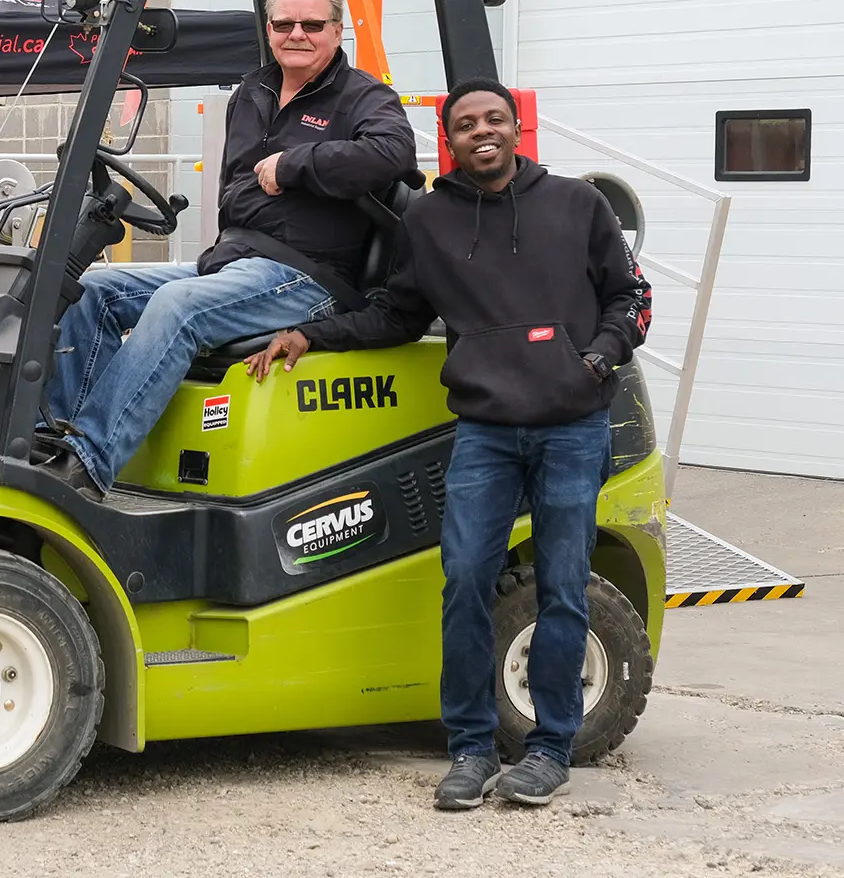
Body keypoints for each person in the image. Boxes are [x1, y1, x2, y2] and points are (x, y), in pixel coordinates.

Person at [245, 77, 652, 810]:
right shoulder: (429, 221)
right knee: (464, 580)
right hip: (487, 432)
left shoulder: (577, 205)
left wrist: (597, 357)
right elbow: (397, 314)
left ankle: (551, 747)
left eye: (495, 118)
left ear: (516, 127)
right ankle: (468, 748)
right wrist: (311, 333)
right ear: (450, 139)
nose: (482, 131)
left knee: (563, 588)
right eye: (466, 124)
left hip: (571, 427)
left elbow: (632, 296)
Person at [35, 0, 422, 495]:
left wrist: (295, 164)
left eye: (312, 24)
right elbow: (234, 187)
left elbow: (392, 154)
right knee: (88, 290)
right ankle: (59, 438)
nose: (297, 35)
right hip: (235, 261)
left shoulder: (363, 98)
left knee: (178, 305)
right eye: (285, 25)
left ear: (337, 30)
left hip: (306, 276)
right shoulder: (254, 91)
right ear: (269, 29)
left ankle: (86, 464)